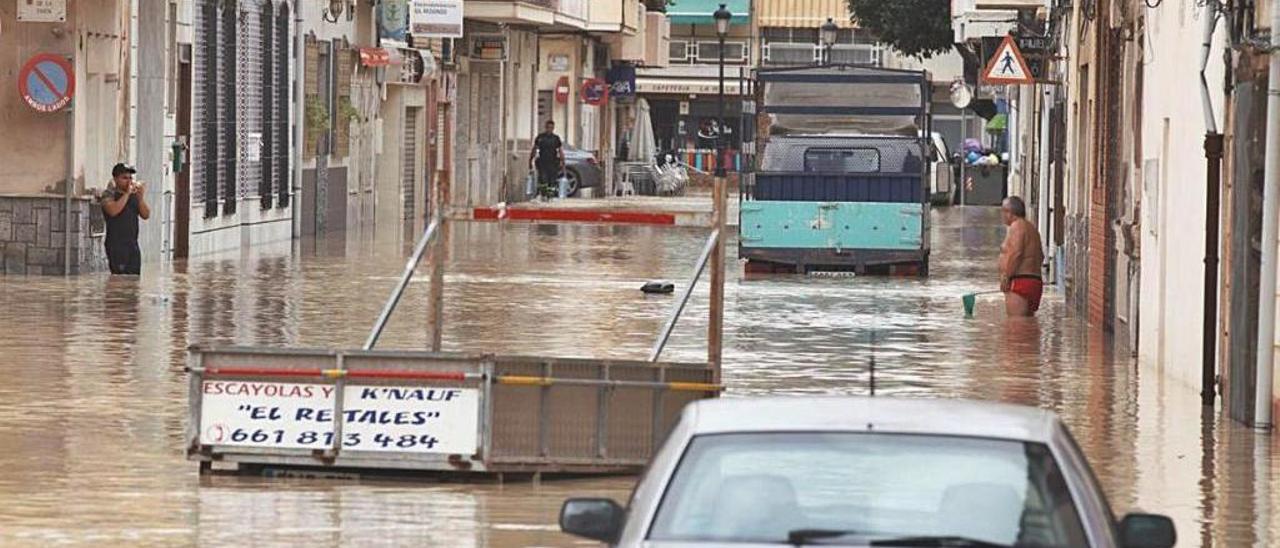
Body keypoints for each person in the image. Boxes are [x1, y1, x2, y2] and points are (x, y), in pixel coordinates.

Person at [100, 163, 151, 275]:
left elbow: (146, 215)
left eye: (130, 178)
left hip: (133, 246)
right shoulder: (109, 195)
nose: (128, 181)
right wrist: (127, 194)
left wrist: (141, 198)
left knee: (133, 282)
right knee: (120, 280)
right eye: (124, 178)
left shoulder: (134, 196)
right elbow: (113, 211)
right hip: (116, 245)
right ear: (115, 179)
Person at [998, 196, 1044, 317]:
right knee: (1026, 328)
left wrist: (1006, 277)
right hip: (1034, 282)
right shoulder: (1032, 229)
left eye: (1003, 211)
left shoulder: (1016, 226)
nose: (1001, 215)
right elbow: (1041, 256)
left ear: (1009, 212)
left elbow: (1016, 253)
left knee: (1015, 327)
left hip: (1019, 282)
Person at [529, 120, 564, 198]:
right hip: (542, 162)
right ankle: (544, 194)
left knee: (552, 180)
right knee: (543, 179)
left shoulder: (556, 138)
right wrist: (531, 159)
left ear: (553, 128)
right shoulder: (540, 137)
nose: (549, 129)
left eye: (551, 128)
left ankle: (550, 195)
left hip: (553, 162)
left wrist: (562, 161)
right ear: (546, 127)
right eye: (548, 127)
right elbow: (535, 149)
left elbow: (560, 150)